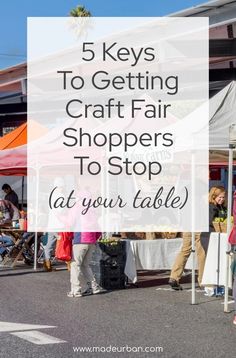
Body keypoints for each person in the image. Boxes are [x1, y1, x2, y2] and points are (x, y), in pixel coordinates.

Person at [68, 232, 104, 297]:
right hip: (91, 242)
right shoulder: (93, 220)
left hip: (80, 241)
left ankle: (76, 290)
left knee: (75, 265)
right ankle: (93, 287)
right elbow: (98, 231)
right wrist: (94, 239)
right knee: (85, 265)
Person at [200, 186, 227, 254]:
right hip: (208, 236)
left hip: (218, 235)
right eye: (220, 197)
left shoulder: (222, 207)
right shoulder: (211, 207)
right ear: (213, 196)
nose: (222, 199)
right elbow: (210, 221)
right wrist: (220, 222)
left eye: (223, 197)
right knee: (211, 256)